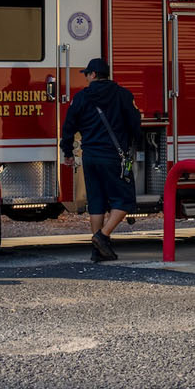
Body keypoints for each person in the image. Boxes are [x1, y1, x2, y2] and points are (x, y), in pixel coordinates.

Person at [60, 58, 142, 262]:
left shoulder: (81, 98)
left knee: (96, 201)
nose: (86, 77)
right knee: (124, 199)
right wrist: (136, 144)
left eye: (87, 74)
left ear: (94, 75)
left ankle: (98, 251)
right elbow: (135, 123)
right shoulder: (123, 95)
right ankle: (102, 237)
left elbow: (68, 126)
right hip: (114, 157)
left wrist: (67, 151)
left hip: (90, 157)